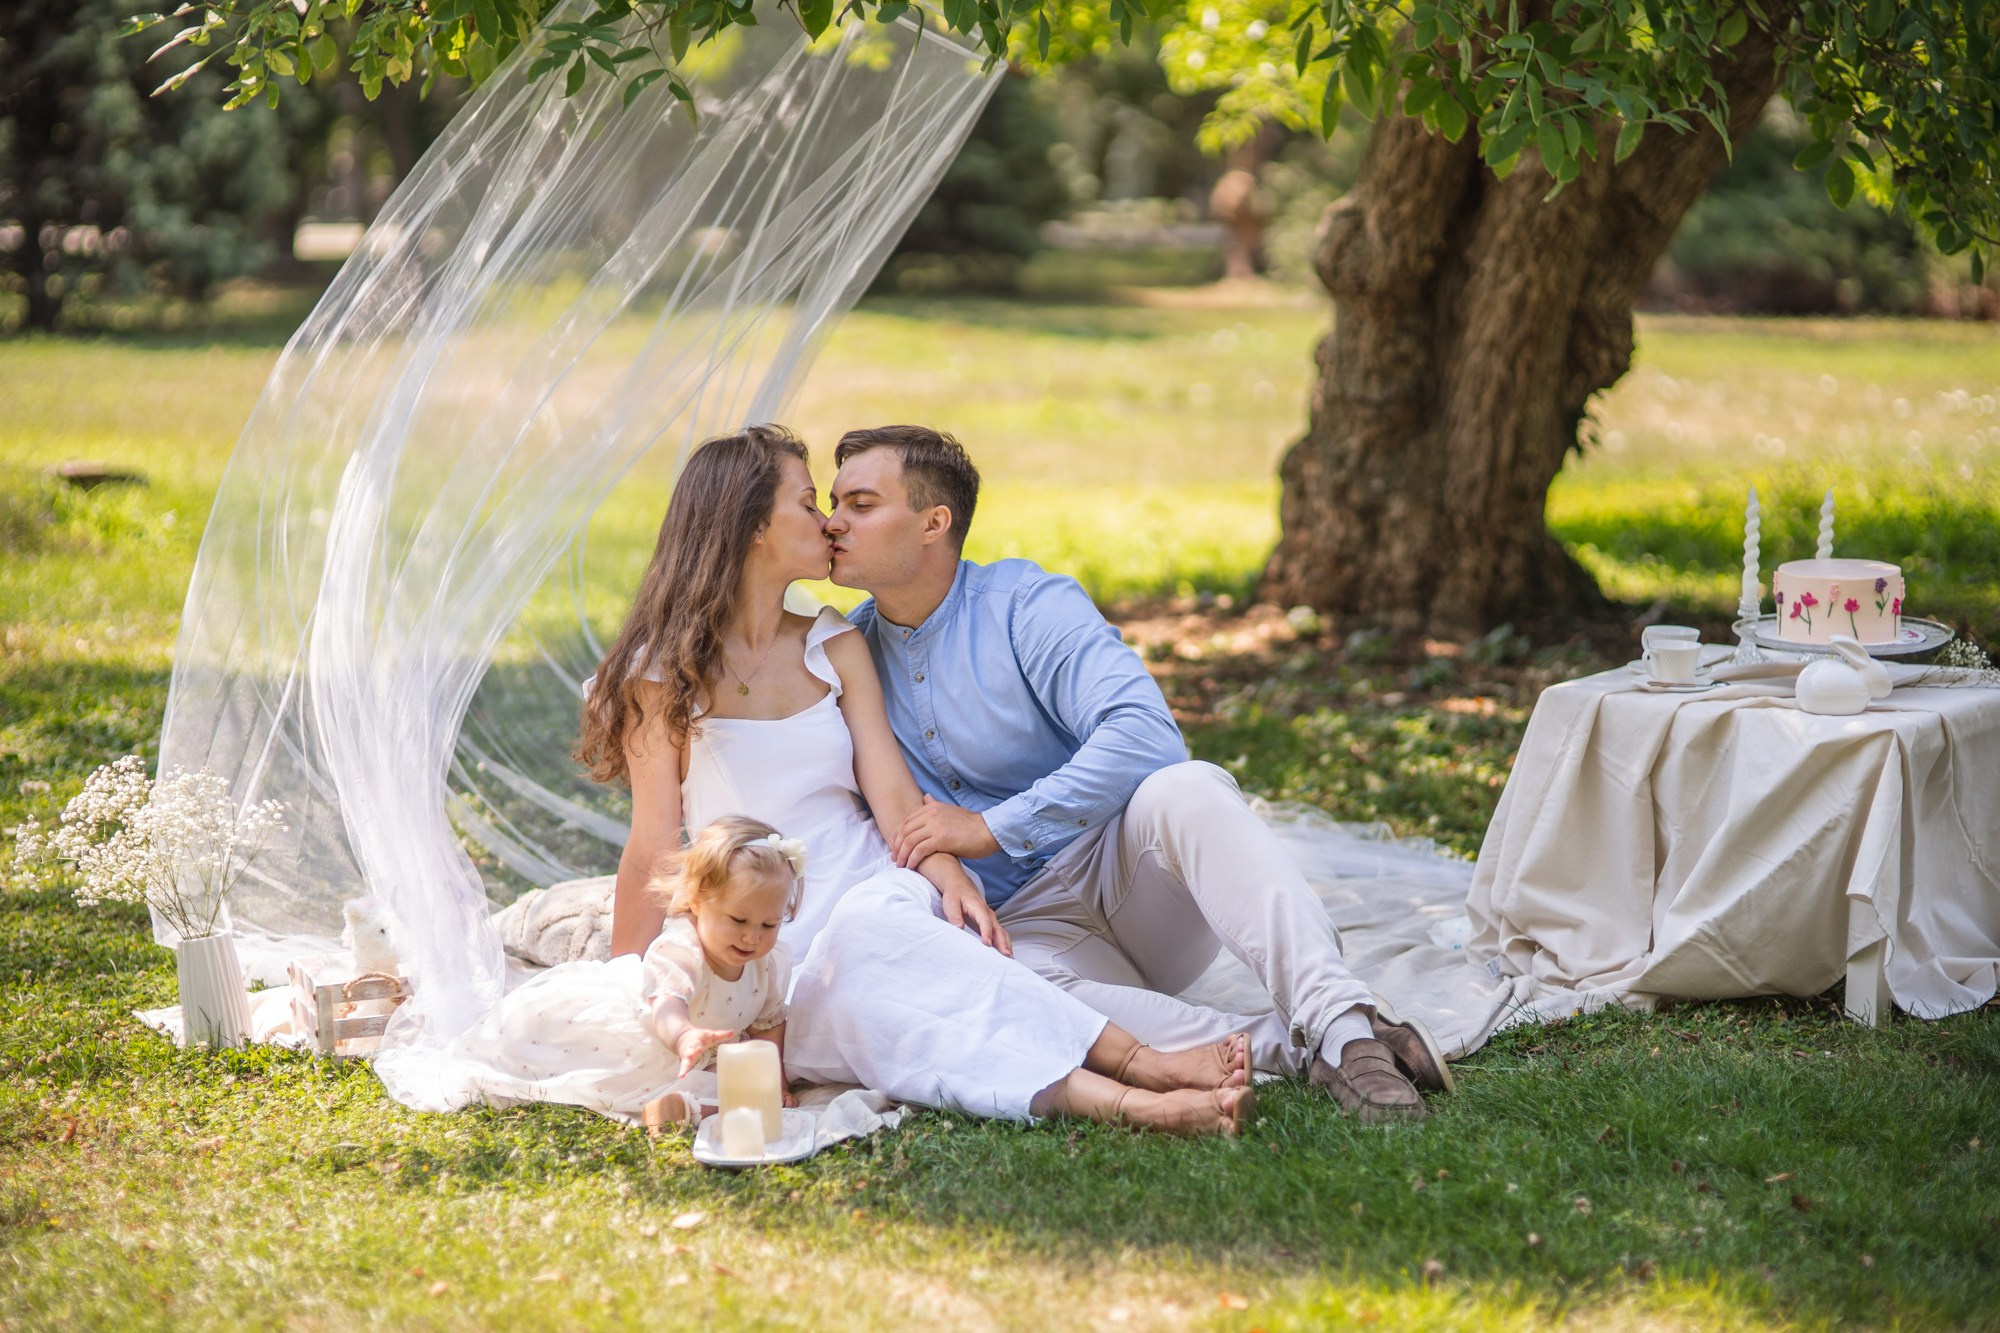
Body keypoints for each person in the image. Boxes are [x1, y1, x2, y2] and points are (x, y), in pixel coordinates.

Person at [576, 424, 1254, 1136]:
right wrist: (627, 973)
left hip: (871, 887)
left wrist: (949, 876)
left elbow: (893, 794)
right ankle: (1145, 1092)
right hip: (760, 917)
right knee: (886, 1011)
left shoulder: (833, 643)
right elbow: (653, 843)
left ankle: (1147, 1076)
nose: (828, 521)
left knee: (898, 953)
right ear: (752, 527)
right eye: (809, 503)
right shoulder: (661, 675)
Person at [823, 425, 1453, 1123]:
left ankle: (1334, 1013)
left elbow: (1146, 734)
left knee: (1186, 788)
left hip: (1129, 878)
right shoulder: (847, 655)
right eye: (832, 503)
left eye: (860, 504)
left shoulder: (1025, 603)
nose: (833, 522)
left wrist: (991, 828)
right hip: (1024, 932)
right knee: (995, 984)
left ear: (933, 523)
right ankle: (1324, 1047)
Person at [638, 816, 804, 1129]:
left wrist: (776, 1083)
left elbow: (767, 1028)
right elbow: (667, 1004)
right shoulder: (682, 950)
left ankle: (680, 1109)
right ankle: (676, 1104)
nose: (752, 937)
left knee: (748, 1093)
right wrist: (684, 1035)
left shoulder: (766, 964)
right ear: (697, 900)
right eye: (739, 920)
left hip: (714, 1057)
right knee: (727, 1089)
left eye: (769, 925)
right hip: (662, 1048)